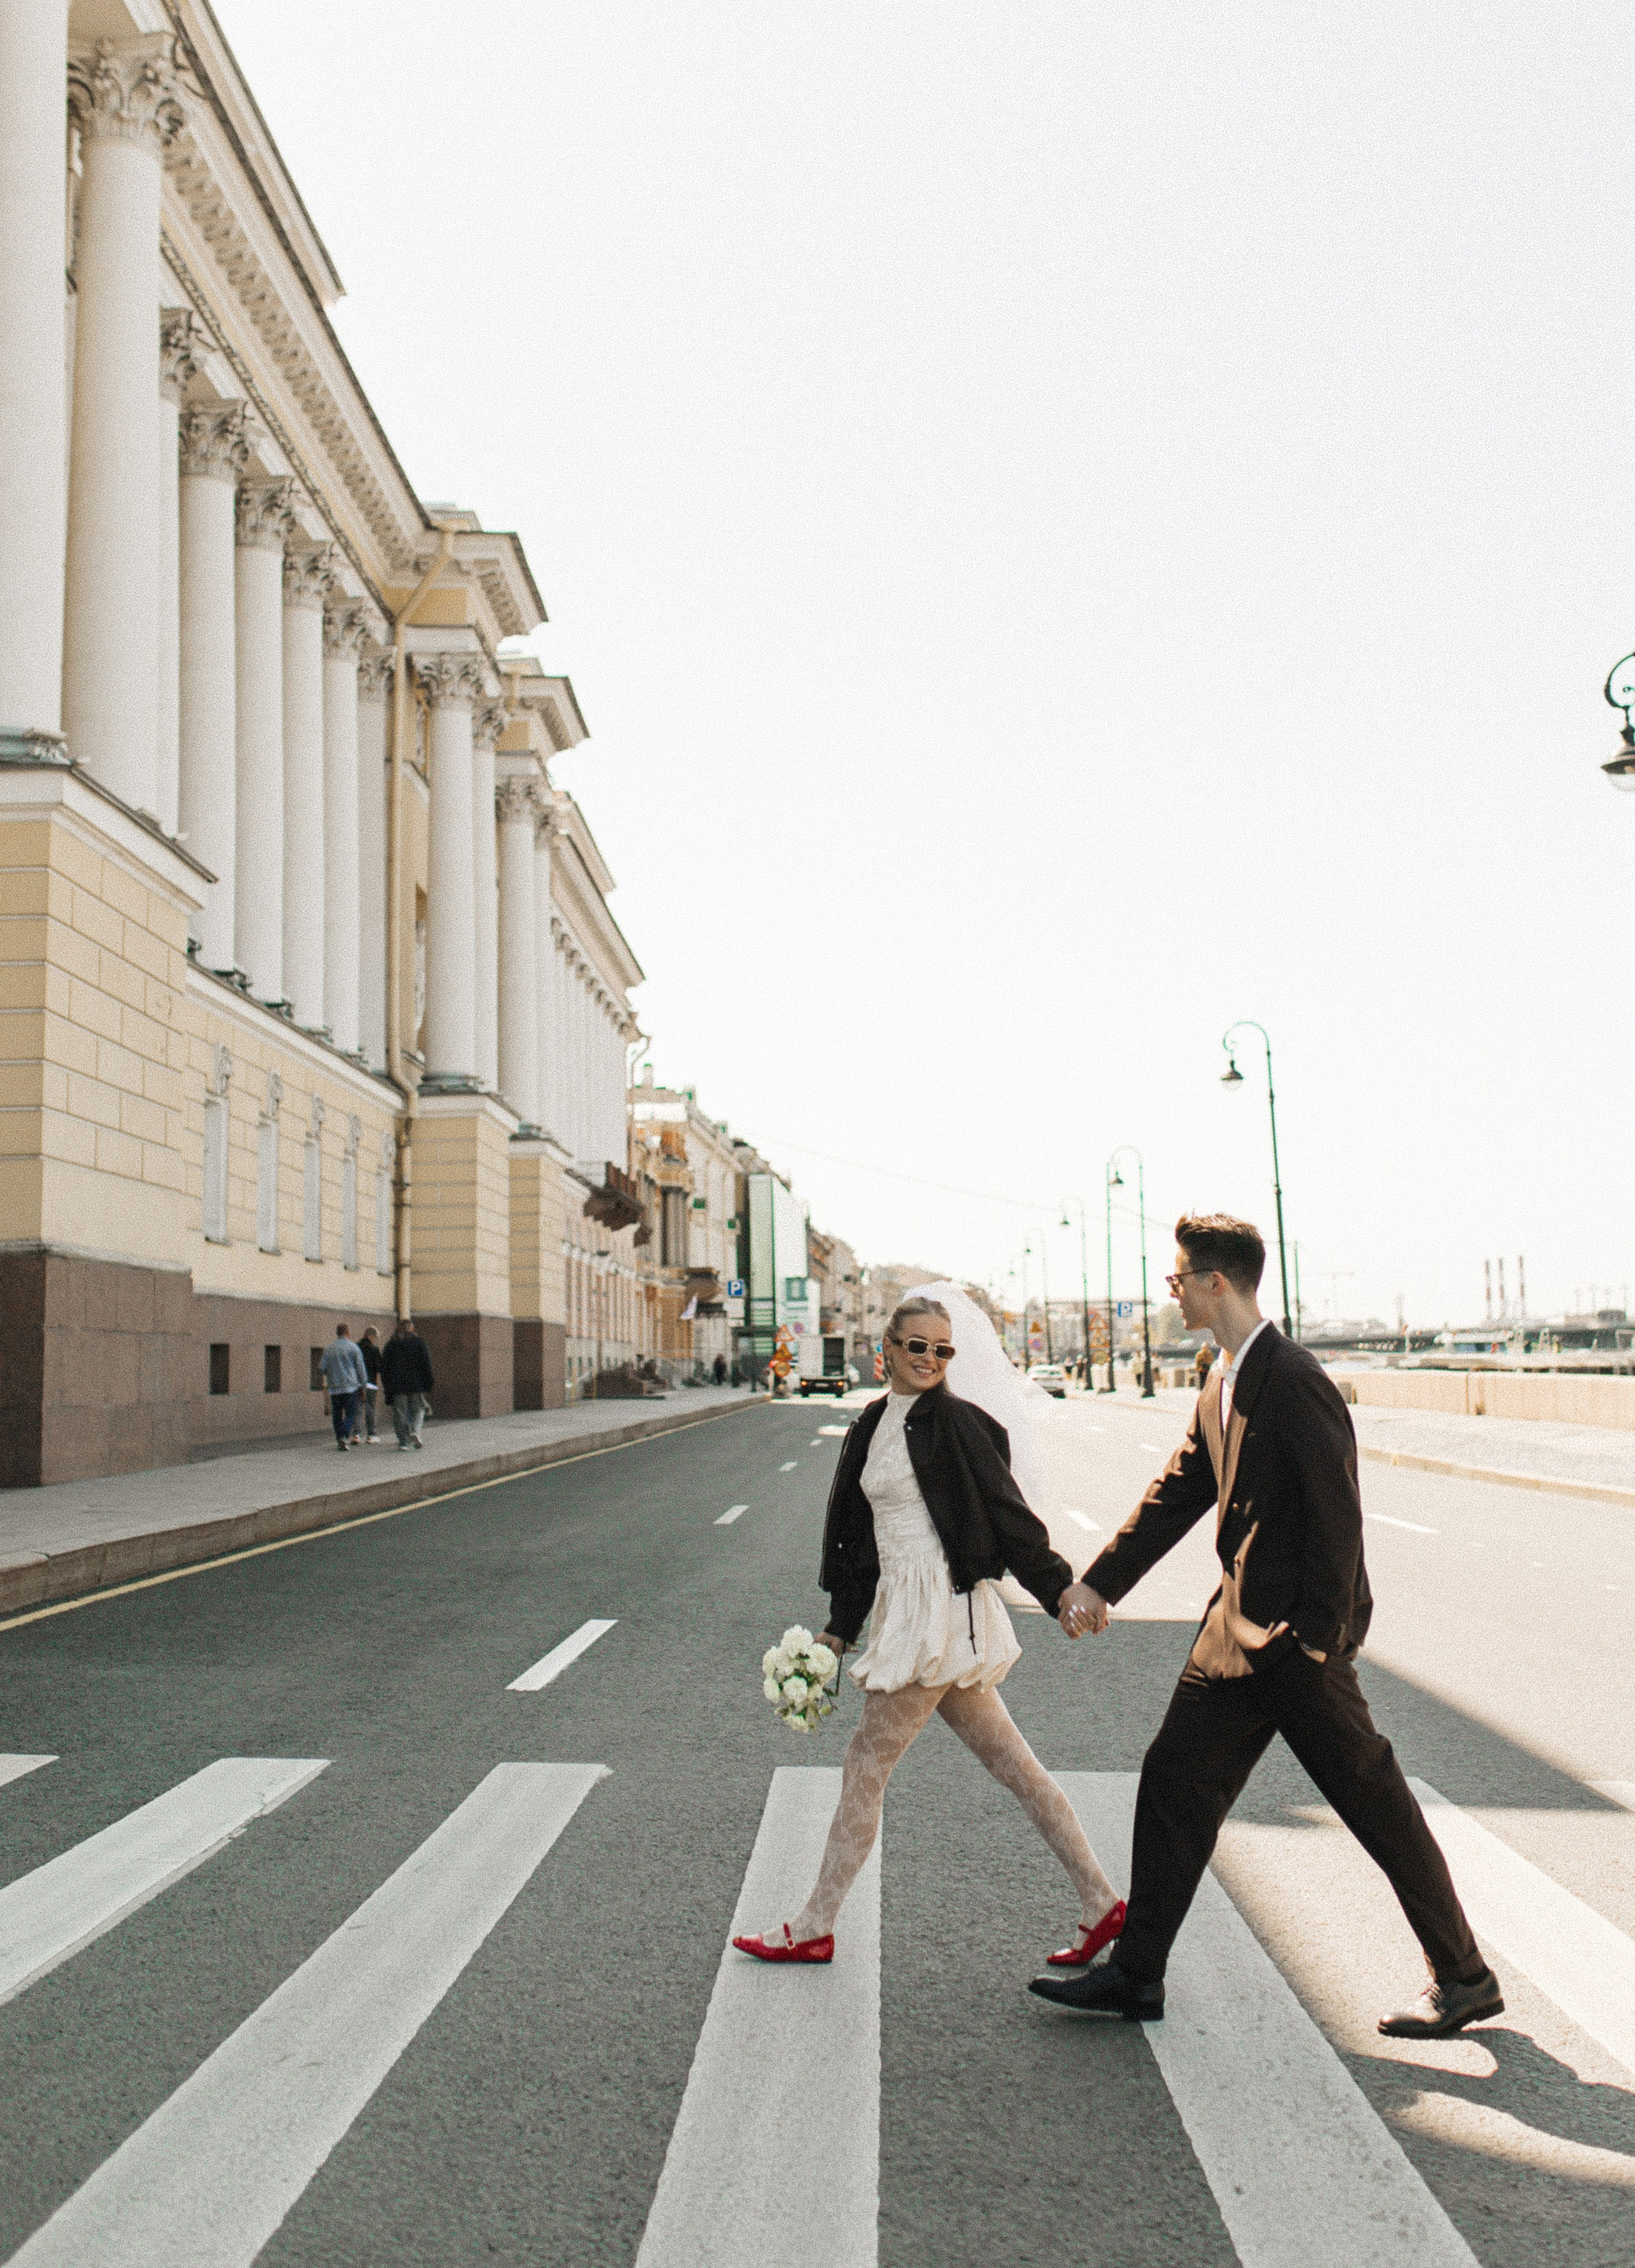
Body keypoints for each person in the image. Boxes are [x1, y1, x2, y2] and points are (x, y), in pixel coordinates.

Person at [1031, 1214, 1502, 2039]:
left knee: (1376, 1804)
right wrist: (1100, 1584)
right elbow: (1179, 1490)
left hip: (1292, 1645)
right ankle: (1138, 1976)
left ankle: (1463, 1976)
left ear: (1217, 1282)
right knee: (1174, 1782)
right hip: (1230, 1635)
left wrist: (1320, 1636)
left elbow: (1338, 1516)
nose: (1168, 1290)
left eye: (1177, 1277)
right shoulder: (1219, 1379)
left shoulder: (1292, 1377)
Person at [733, 1292, 1123, 1969]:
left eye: (943, 1350)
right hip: (906, 1610)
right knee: (1016, 1768)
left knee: (866, 1761)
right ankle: (1101, 1902)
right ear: (887, 1348)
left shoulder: (962, 1426)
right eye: (917, 1346)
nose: (930, 1360)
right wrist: (839, 1629)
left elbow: (1011, 1520)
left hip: (937, 1612)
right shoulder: (872, 1424)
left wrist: (1058, 1589)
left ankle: (815, 1924)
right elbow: (860, 1545)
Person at [380, 1317, 434, 1449]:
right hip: (416, 1384)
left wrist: (387, 1386)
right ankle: (415, 1431)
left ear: (399, 1328)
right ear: (412, 1328)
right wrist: (429, 1382)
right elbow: (427, 1363)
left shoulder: (392, 1344)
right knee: (419, 1409)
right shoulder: (419, 1343)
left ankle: (403, 1442)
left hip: (397, 1385)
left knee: (400, 1413)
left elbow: (384, 1368)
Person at [317, 1323, 368, 1453]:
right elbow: (361, 1369)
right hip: (351, 1387)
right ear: (348, 1333)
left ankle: (339, 1437)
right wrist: (363, 1387)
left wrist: (333, 1372)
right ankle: (345, 1436)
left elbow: (321, 1368)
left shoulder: (329, 1349)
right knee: (351, 1413)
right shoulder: (354, 1348)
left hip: (334, 1387)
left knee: (337, 1414)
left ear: (337, 1333)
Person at [357, 1326, 383, 1442]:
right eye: (375, 1337)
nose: (375, 1340)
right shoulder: (374, 1349)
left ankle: (356, 1434)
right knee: (370, 1408)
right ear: (371, 1336)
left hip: (357, 1384)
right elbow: (379, 1367)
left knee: (358, 1408)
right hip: (371, 1383)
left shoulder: (356, 1348)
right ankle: (371, 1434)